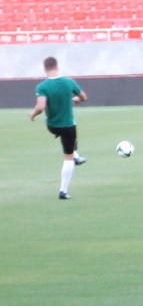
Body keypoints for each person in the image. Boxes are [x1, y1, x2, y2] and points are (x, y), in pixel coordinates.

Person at [29, 56, 88, 200]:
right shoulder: (69, 82)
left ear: (45, 69)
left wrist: (33, 114)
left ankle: (76, 156)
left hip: (52, 126)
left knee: (70, 141)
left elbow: (41, 107)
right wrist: (75, 99)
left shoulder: (42, 87)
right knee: (68, 155)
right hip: (68, 126)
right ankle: (63, 191)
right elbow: (83, 97)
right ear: (57, 66)